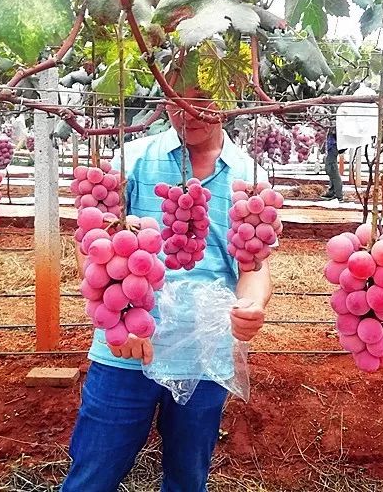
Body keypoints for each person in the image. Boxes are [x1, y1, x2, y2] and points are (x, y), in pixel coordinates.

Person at [62, 91, 274, 492]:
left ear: (231, 98)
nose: (188, 112)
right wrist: (120, 322)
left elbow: (254, 266)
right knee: (91, 476)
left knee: (188, 480)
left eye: (204, 100)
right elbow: (92, 248)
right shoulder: (134, 158)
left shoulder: (250, 176)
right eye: (177, 99)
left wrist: (252, 304)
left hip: (204, 356)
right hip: (126, 349)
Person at [321, 128, 344, 201]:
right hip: (332, 145)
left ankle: (338, 195)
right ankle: (332, 192)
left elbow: (335, 131)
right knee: (331, 170)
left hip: (333, 145)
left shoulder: (337, 123)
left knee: (332, 169)